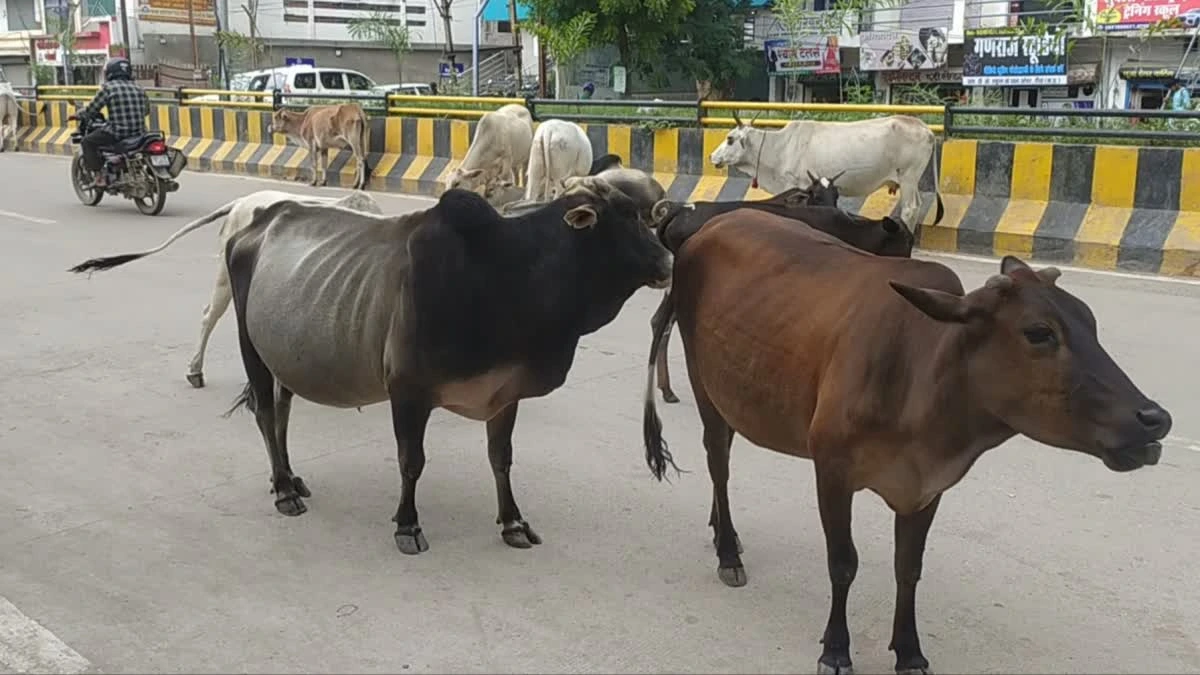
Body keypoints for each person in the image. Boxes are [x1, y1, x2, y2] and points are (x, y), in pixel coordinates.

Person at [78, 57, 149, 188]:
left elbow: (92, 109)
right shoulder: (139, 88)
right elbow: (146, 111)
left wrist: (81, 114)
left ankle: (99, 177)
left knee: (87, 141)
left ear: (110, 72)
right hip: (140, 133)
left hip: (117, 132)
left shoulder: (108, 88)